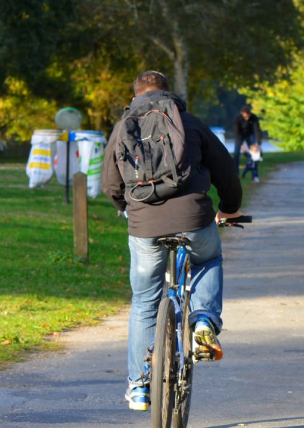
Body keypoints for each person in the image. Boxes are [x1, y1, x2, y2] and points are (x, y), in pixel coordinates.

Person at [101, 71, 243, 412]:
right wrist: (229, 209)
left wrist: (124, 208)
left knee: (144, 301)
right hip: (193, 217)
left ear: (135, 95)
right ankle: (204, 321)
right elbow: (225, 170)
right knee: (208, 259)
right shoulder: (189, 122)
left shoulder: (123, 126)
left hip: (144, 225)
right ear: (169, 93)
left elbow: (109, 181)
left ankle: (138, 386)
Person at [232, 104, 263, 182]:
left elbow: (257, 130)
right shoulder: (237, 119)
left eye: (248, 116)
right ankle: (235, 174)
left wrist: (259, 144)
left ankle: (255, 175)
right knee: (236, 154)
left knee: (254, 154)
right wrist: (241, 145)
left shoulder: (254, 118)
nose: (247, 118)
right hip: (240, 135)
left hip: (250, 134)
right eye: (245, 116)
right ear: (242, 113)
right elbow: (236, 133)